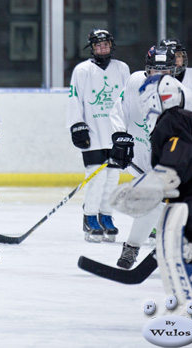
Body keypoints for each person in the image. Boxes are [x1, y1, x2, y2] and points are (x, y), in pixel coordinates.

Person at [110, 74, 192, 317]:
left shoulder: (173, 122)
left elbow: (180, 153)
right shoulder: (185, 117)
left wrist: (157, 181)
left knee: (185, 249)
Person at [66, 29, 130, 243]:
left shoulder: (122, 69)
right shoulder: (82, 70)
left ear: (111, 45)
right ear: (91, 47)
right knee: (96, 177)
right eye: (98, 45)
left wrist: (128, 130)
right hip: (92, 133)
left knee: (112, 178)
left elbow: (128, 101)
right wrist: (77, 125)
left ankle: (106, 216)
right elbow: (74, 99)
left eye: (105, 44)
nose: (102, 48)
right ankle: (90, 216)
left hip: (115, 133)